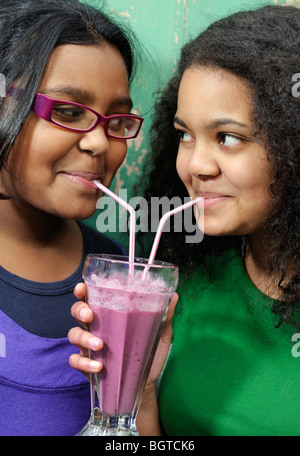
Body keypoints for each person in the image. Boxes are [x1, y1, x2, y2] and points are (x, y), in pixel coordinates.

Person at [68, 4, 300, 436]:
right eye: (184, 135)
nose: (195, 165)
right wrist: (140, 389)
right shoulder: (180, 284)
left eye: (227, 138)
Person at [0, 0, 143, 436]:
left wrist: (143, 390)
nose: (101, 143)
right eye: (67, 112)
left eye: (116, 120)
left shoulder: (118, 273)